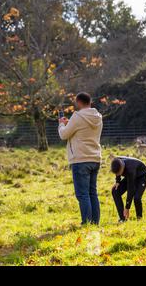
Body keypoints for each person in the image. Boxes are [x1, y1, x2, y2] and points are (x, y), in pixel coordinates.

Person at [58, 92, 103, 225]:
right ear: (90, 102)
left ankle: (87, 223)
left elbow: (64, 135)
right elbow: (81, 129)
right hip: (95, 158)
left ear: (78, 102)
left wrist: (61, 124)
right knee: (92, 193)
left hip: (80, 159)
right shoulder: (98, 117)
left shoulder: (77, 116)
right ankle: (95, 222)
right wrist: (70, 123)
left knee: (82, 194)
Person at [111, 157, 146, 222]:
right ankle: (122, 218)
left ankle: (139, 218)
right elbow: (117, 172)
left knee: (137, 198)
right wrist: (117, 181)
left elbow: (131, 190)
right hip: (130, 176)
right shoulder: (116, 161)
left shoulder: (130, 169)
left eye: (119, 173)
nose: (118, 174)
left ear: (122, 168)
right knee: (115, 191)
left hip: (143, 176)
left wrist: (127, 207)